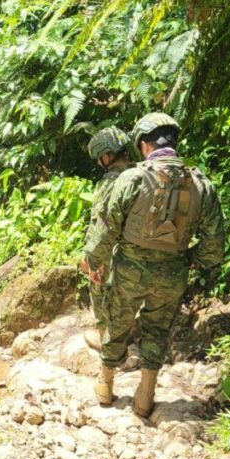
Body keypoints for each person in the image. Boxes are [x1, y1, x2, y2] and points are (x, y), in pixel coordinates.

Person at [82, 112, 225, 417]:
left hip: (130, 269)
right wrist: (187, 259)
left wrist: (94, 263)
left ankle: (106, 386)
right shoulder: (202, 184)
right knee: (157, 330)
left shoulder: (131, 178)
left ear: (144, 146)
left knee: (117, 323)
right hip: (173, 272)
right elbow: (214, 248)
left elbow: (106, 228)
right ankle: (145, 396)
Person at [80, 126, 134, 352]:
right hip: (141, 252)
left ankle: (106, 338)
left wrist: (91, 258)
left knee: (99, 288)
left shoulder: (111, 181)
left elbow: (101, 223)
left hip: (114, 250)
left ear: (107, 156)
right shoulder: (142, 175)